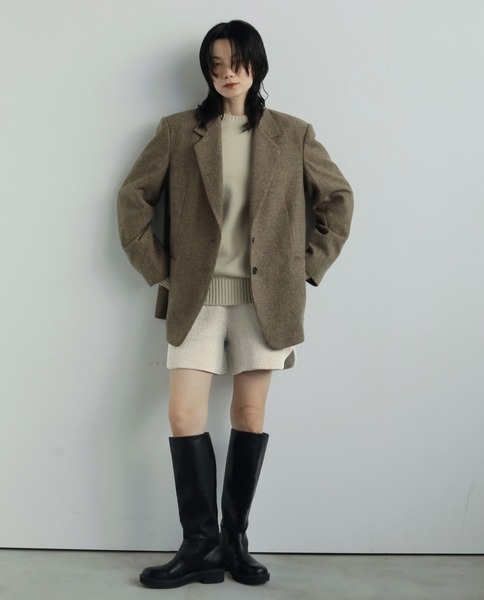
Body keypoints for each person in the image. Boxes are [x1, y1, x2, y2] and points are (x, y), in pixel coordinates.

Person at [117, 19, 353, 590]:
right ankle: (199, 546)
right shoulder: (179, 132)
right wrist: (162, 272)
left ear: (256, 65)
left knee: (248, 416)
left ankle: (234, 542)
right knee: (183, 416)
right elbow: (132, 199)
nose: (227, 74)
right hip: (196, 299)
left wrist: (305, 268)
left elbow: (338, 199)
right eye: (216, 64)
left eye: (237, 62)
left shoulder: (292, 134)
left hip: (263, 301)